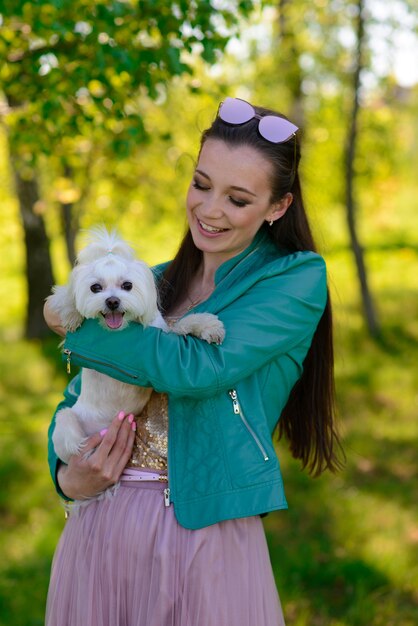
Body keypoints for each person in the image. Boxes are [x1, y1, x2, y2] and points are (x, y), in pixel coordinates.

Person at [44, 96, 343, 626]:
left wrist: (73, 317)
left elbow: (200, 369)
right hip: (102, 523)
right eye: (201, 185)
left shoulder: (295, 279)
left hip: (202, 529)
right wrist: (68, 477)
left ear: (278, 206)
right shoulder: (152, 280)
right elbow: (80, 395)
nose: (209, 209)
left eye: (237, 198)